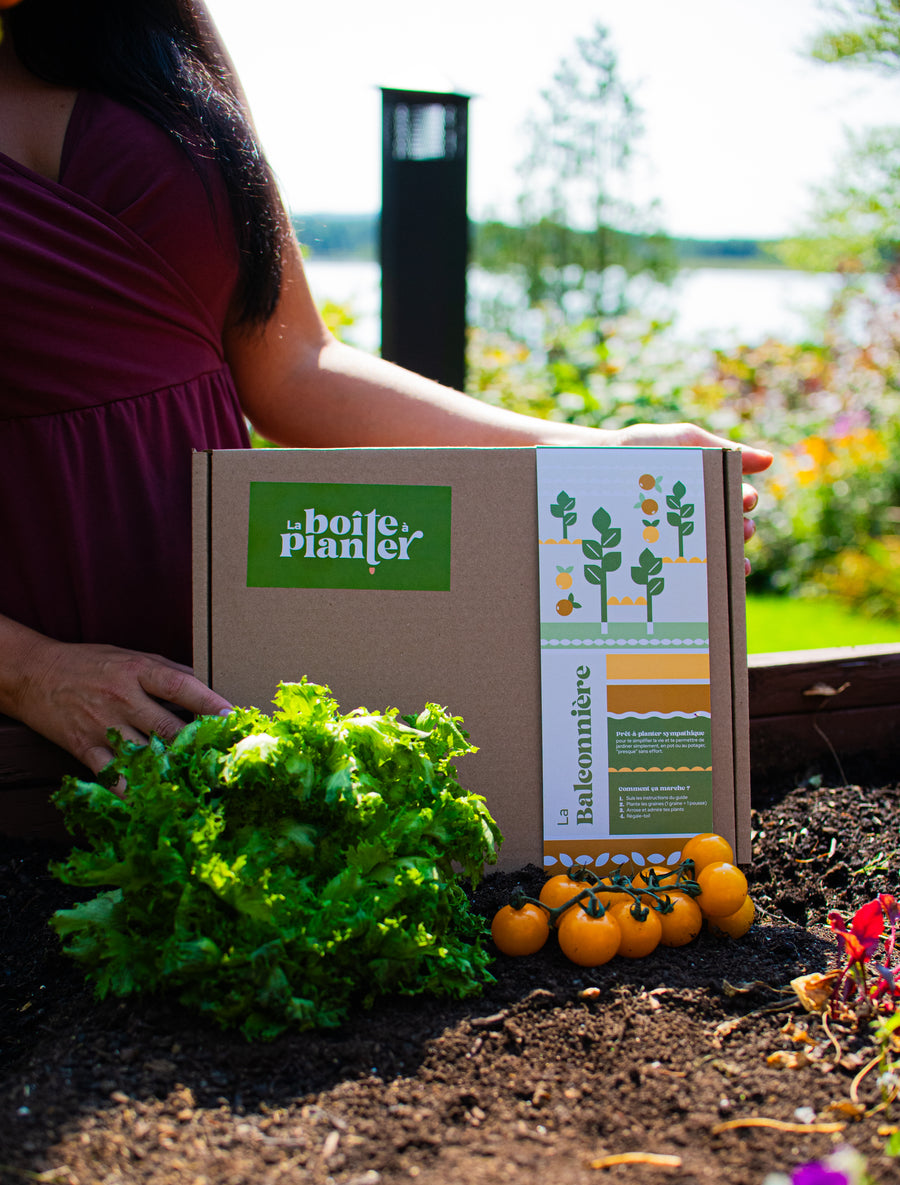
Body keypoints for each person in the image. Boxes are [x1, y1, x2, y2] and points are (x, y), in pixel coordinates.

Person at [0, 0, 772, 783]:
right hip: (38, 713)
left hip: (232, 664)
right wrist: (31, 671)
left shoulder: (155, 33)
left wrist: (597, 454)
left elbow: (294, 367)